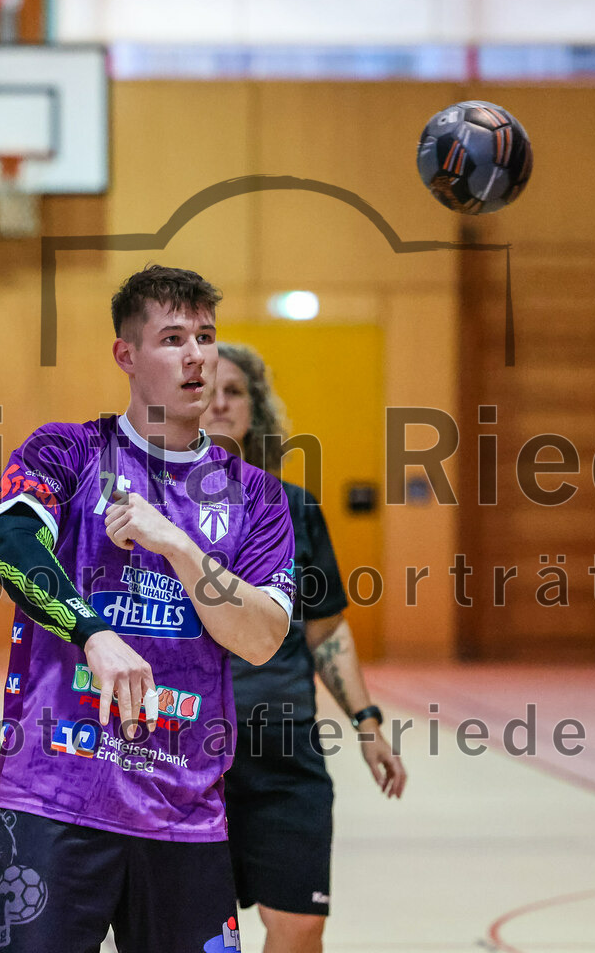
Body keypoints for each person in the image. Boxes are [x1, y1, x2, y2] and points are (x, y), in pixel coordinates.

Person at [0, 266, 297, 953]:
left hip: (184, 815)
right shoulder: (66, 452)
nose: (195, 356)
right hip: (55, 801)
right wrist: (91, 632)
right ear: (127, 355)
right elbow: (9, 546)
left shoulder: (258, 499)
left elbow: (263, 636)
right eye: (172, 337)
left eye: (206, 337)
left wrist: (178, 545)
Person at [203, 343, 407, 953]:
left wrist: (367, 723)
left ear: (255, 407)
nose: (217, 400)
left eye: (234, 390)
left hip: (283, 753)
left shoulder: (293, 508)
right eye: (206, 386)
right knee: (191, 935)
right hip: (186, 760)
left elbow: (325, 628)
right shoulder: (153, 509)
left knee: (299, 927)